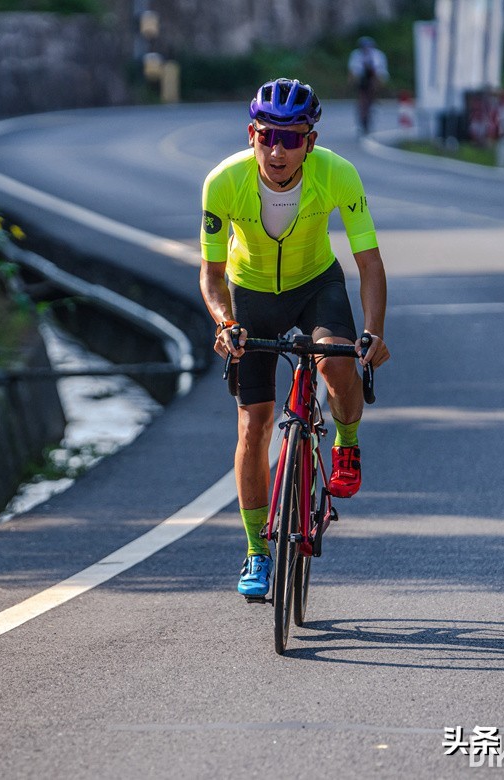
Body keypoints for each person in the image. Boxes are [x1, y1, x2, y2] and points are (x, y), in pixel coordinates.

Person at [198, 78, 391, 598]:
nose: (278, 150)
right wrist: (224, 323)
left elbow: (369, 263)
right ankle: (257, 553)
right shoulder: (223, 182)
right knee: (253, 425)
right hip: (250, 295)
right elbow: (211, 274)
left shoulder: (337, 174)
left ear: (311, 140)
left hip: (315, 287)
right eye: (267, 137)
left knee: (337, 364)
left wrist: (372, 332)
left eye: (292, 137)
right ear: (251, 134)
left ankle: (347, 443)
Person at [347, 36, 389, 135]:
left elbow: (381, 71)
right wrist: (352, 82)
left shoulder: (378, 55)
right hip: (362, 79)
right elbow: (353, 71)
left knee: (372, 91)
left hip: (374, 77)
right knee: (362, 99)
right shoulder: (356, 55)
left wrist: (379, 83)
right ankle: (363, 114)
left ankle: (373, 101)